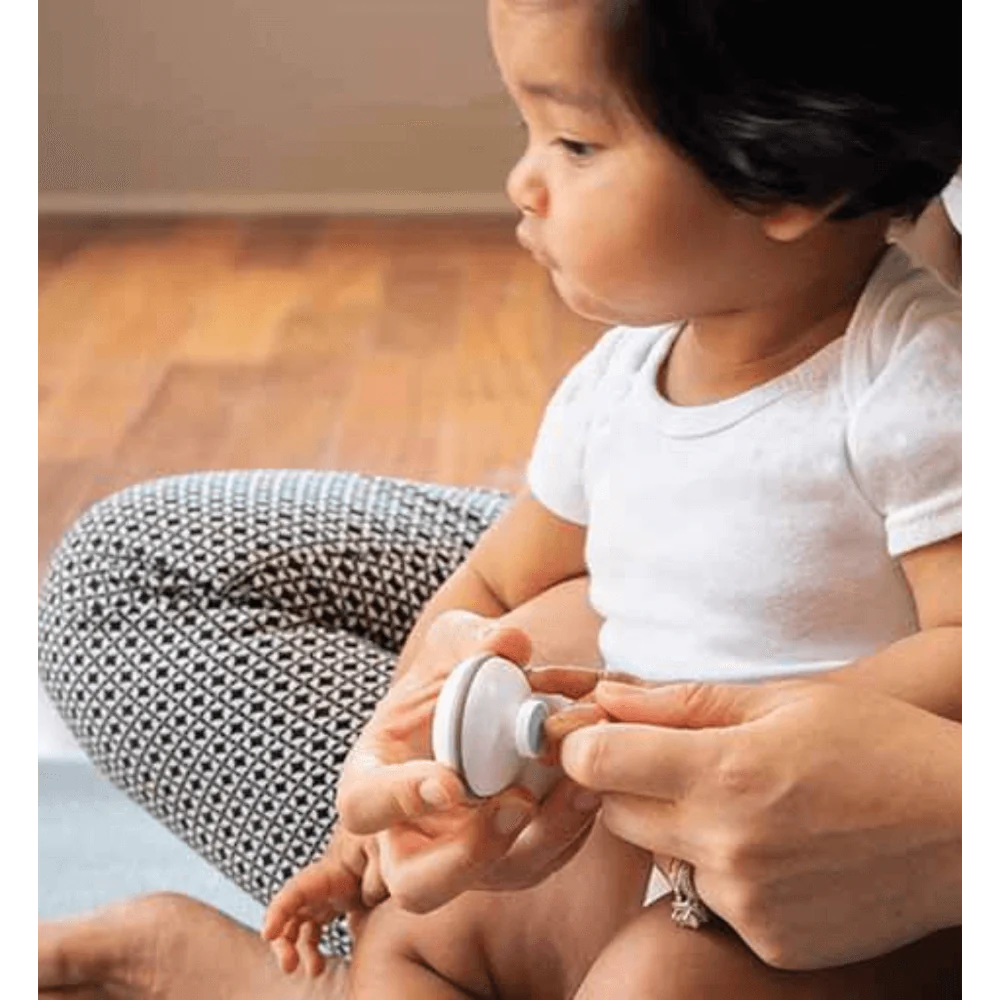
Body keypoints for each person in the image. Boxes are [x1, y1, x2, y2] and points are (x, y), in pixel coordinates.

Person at [37, 0, 961, 997]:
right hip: (613, 801)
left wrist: (763, 728)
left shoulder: (911, 382)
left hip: (798, 842)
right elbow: (491, 585)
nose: (523, 180)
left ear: (791, 178)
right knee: (417, 937)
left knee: (653, 979)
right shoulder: (619, 380)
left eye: (575, 143)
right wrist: (379, 788)